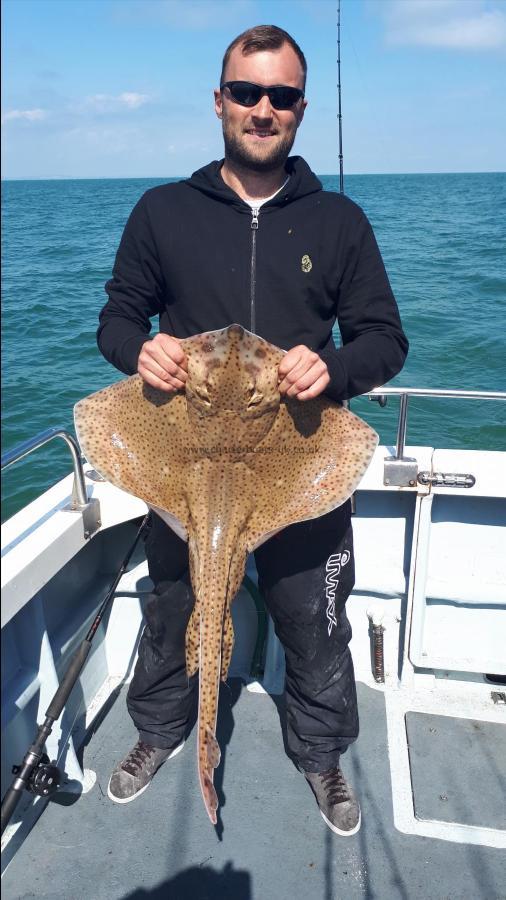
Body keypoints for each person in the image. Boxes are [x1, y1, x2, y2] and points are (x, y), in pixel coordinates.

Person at [97, 25, 408, 836]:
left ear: (300, 109)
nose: (262, 109)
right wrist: (142, 348)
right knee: (174, 611)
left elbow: (385, 338)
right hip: (189, 463)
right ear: (219, 99)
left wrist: (332, 370)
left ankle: (321, 753)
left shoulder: (338, 221)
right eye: (246, 92)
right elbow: (117, 318)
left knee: (318, 621)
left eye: (280, 96)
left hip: (297, 465)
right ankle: (165, 733)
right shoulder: (163, 211)